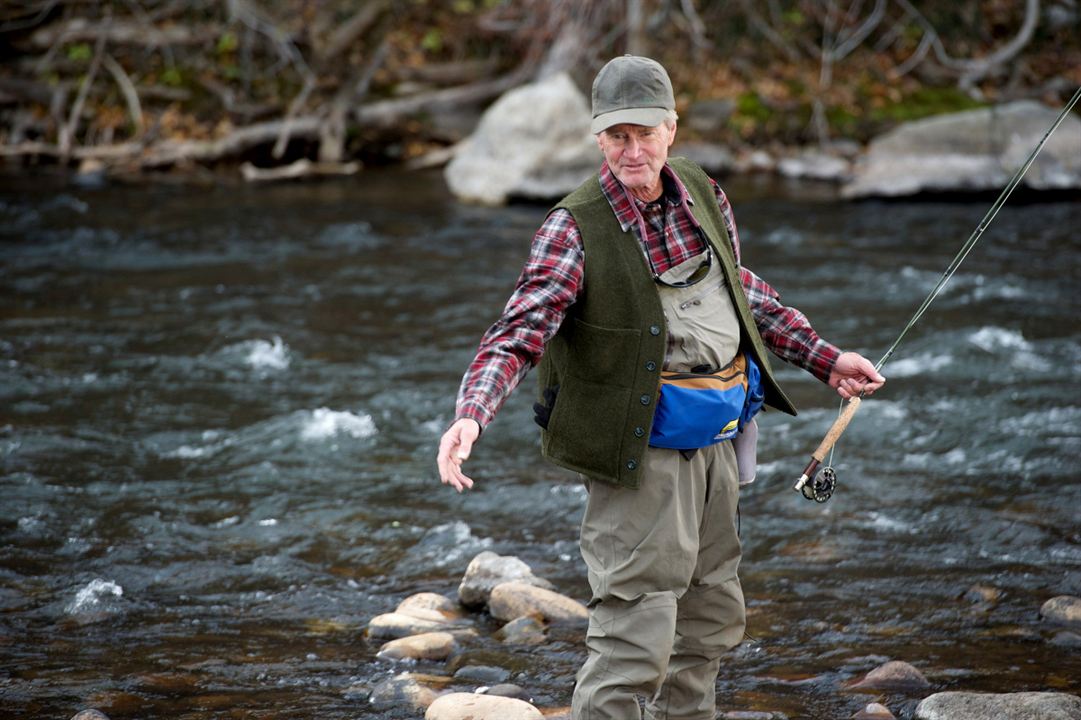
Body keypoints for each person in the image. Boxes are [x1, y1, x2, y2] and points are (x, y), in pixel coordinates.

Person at [436, 55, 884, 720]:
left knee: (708, 619)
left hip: (717, 444)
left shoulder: (704, 193)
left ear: (671, 130)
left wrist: (823, 359)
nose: (632, 149)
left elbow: (742, 292)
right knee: (634, 636)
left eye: (645, 133)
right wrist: (472, 414)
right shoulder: (572, 227)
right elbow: (519, 328)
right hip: (632, 452)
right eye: (617, 135)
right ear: (597, 139)